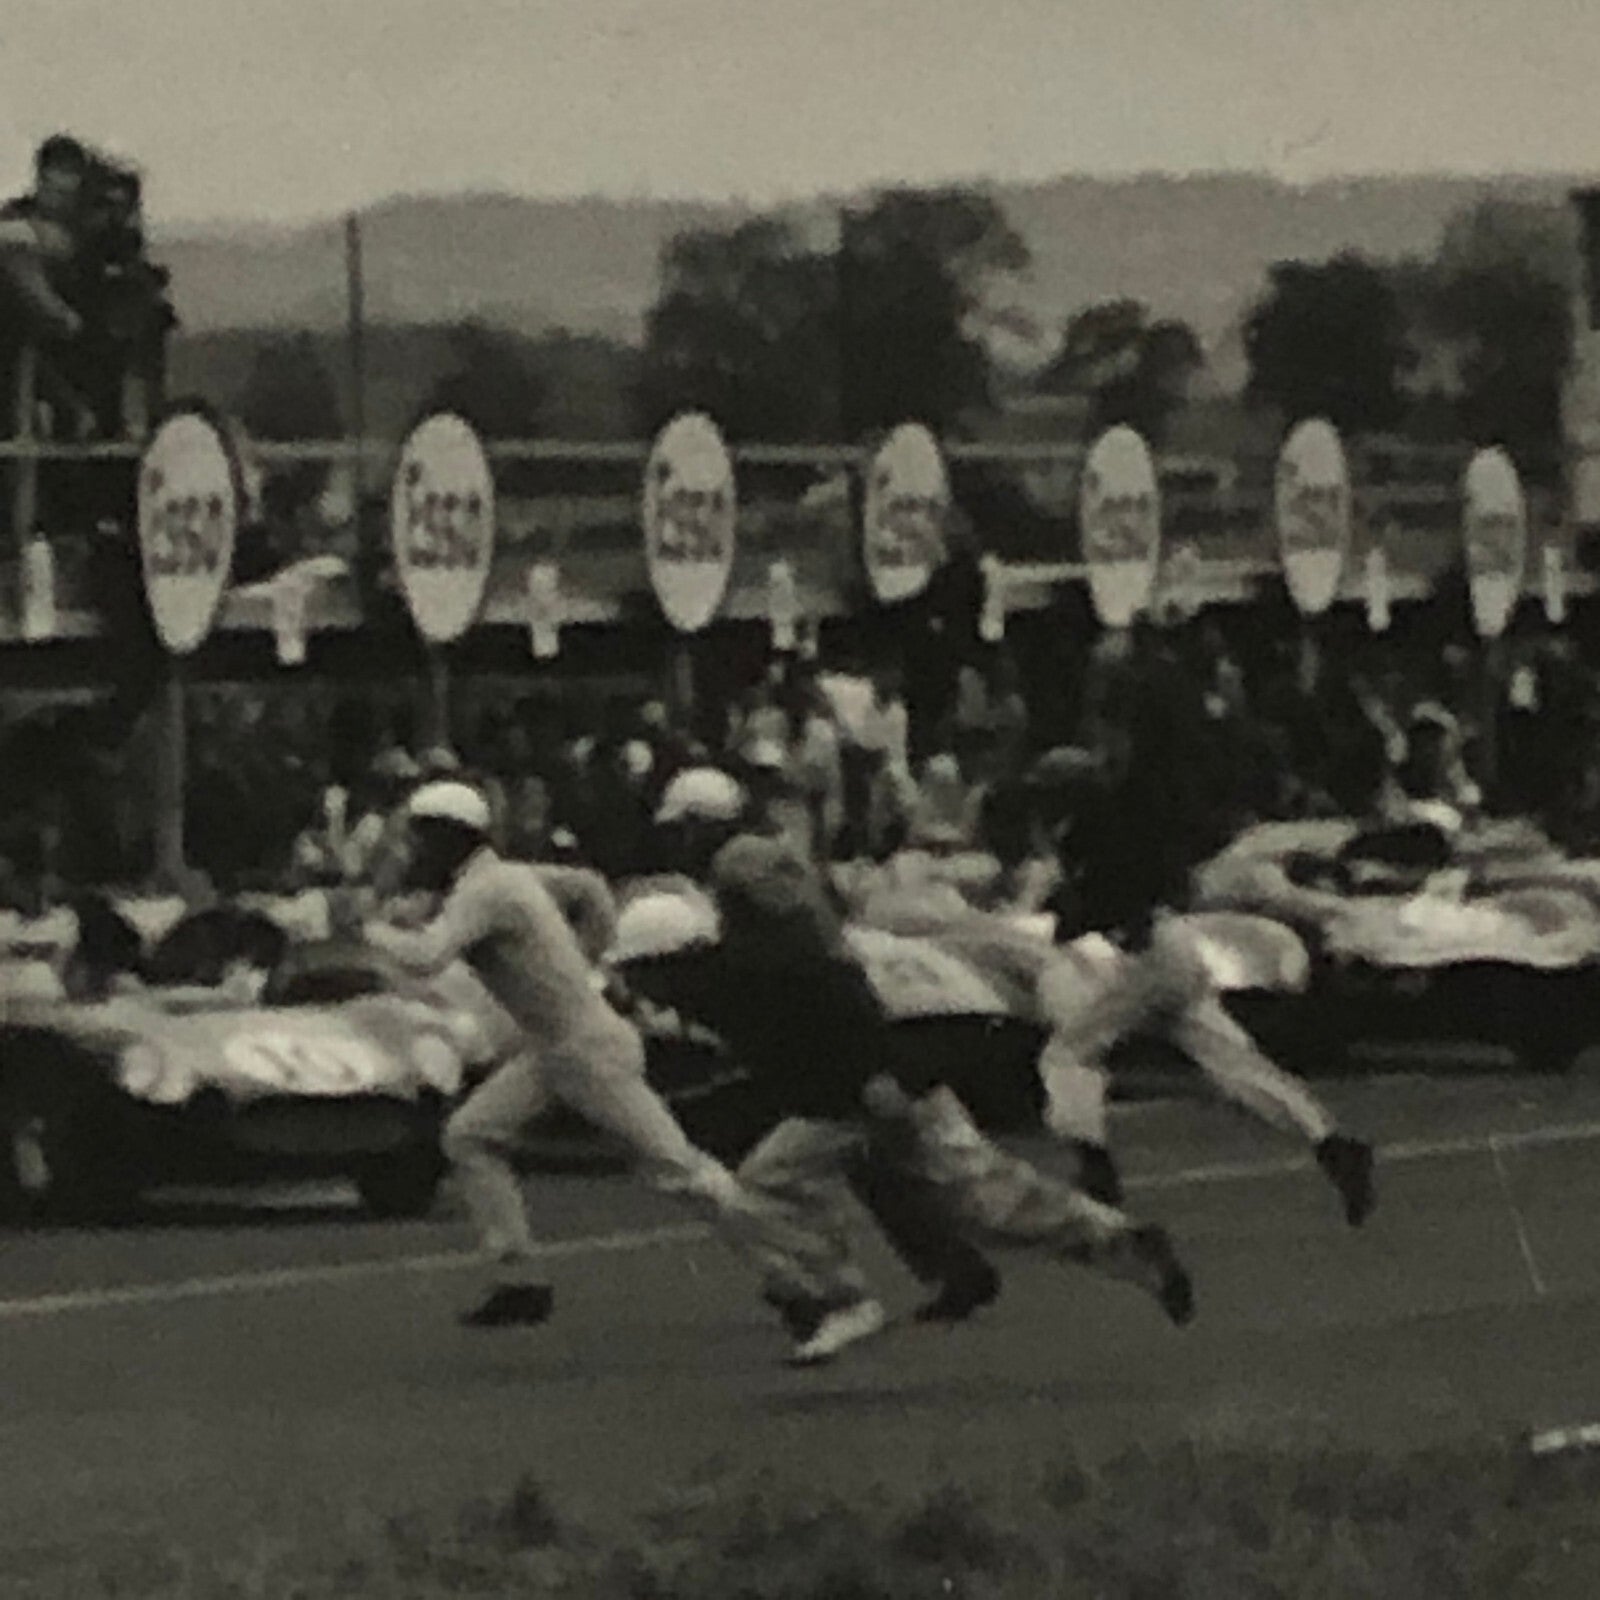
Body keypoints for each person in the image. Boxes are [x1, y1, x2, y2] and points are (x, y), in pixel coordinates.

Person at [645, 767, 1195, 1365]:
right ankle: (1101, 1242)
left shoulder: (747, 879)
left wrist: (870, 1066)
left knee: (805, 1185)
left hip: (868, 1060)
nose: (678, 845)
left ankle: (842, 1299)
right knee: (963, 1188)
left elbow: (816, 963)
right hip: (873, 1054)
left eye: (683, 830)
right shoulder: (767, 888)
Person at [361, 781, 766, 1330]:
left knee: (678, 1169)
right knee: (470, 1135)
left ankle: (797, 1268)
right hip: (560, 1045)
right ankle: (518, 1277)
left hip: (583, 1050)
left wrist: (370, 931)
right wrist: (587, 957)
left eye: (421, 838)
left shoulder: (486, 891)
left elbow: (430, 957)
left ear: (446, 838)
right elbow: (590, 887)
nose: (414, 851)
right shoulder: (501, 877)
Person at [1030, 676, 1376, 1226]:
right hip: (1175, 947)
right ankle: (1330, 1142)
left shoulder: (1089, 831)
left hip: (1145, 954)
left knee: (1068, 1054)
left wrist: (1067, 914)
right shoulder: (1113, 823)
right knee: (1233, 1064)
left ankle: (1093, 1162)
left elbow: (1104, 900)